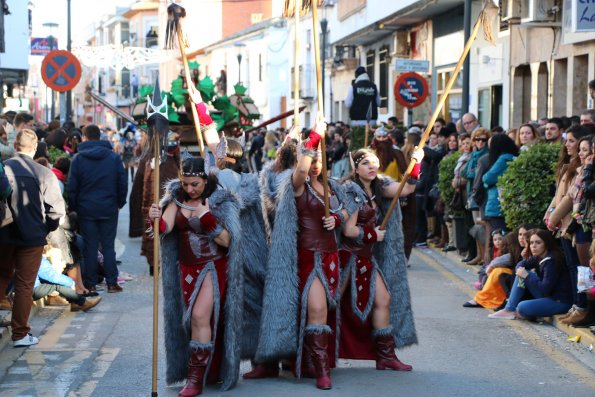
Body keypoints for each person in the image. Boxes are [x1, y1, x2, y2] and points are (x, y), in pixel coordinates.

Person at [254, 119, 351, 390]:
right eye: (311, 157)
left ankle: (312, 362)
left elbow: (347, 210)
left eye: (319, 157)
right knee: (317, 308)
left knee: (324, 311)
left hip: (333, 257)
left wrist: (339, 218)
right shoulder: (296, 185)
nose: (315, 162)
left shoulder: (332, 186)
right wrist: (314, 136)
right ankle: (321, 371)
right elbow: (300, 171)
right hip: (306, 257)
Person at [149, 157, 243, 396]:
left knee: (200, 316)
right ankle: (204, 372)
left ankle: (195, 379)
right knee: (191, 320)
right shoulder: (176, 199)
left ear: (205, 180)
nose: (189, 189)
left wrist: (206, 217)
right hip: (186, 269)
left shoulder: (220, 200)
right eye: (185, 183)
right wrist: (155, 217)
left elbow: (228, 240)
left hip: (213, 265)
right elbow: (165, 228)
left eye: (195, 184)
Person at [338, 148, 422, 374]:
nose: (372, 167)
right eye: (366, 163)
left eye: (375, 162)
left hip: (365, 258)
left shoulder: (378, 187)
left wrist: (416, 163)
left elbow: (407, 188)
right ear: (356, 168)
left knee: (383, 299)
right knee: (329, 304)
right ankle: (313, 355)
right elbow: (348, 230)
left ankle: (386, 356)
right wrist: (372, 235)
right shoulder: (351, 190)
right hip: (346, 257)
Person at [0, 129, 65, 347]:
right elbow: (56, 210)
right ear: (35, 147)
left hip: (4, 233)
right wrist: (45, 228)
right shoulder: (43, 172)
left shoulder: (3, 168)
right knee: (24, 284)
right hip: (32, 236)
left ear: (15, 146)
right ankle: (20, 334)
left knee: (1, 276)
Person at [68, 124, 127, 294]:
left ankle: (91, 283)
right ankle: (112, 282)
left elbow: (73, 186)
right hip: (109, 207)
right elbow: (121, 182)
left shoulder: (78, 158)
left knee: (90, 246)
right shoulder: (113, 157)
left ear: (84, 137)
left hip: (86, 208)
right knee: (108, 246)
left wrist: (73, 206)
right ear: (99, 136)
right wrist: (120, 202)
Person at [489, 229, 573, 320]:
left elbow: (545, 288)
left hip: (559, 301)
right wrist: (522, 272)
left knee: (522, 306)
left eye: (538, 243)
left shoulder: (552, 261)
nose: (533, 246)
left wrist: (527, 276)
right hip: (548, 296)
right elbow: (521, 264)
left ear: (546, 244)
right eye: (532, 243)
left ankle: (518, 310)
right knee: (522, 273)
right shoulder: (538, 256)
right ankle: (509, 309)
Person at [33, 245, 102, 312]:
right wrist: (70, 282)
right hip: (31, 290)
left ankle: (75, 303)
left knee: (59, 282)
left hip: (28, 288)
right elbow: (50, 276)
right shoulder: (39, 258)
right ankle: (84, 303)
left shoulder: (33, 255)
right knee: (59, 286)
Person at [463, 230, 522, 309]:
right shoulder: (493, 250)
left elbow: (507, 258)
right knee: (494, 272)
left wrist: (491, 266)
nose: (521, 237)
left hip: (515, 275)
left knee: (498, 272)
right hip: (510, 274)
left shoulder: (518, 251)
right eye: (520, 234)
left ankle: (483, 298)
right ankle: (482, 298)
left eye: (500, 239)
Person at [482, 134, 519, 232]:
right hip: (508, 204)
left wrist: (487, 184)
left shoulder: (503, 159)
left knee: (498, 237)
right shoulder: (514, 157)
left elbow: (487, 178)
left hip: (497, 205)